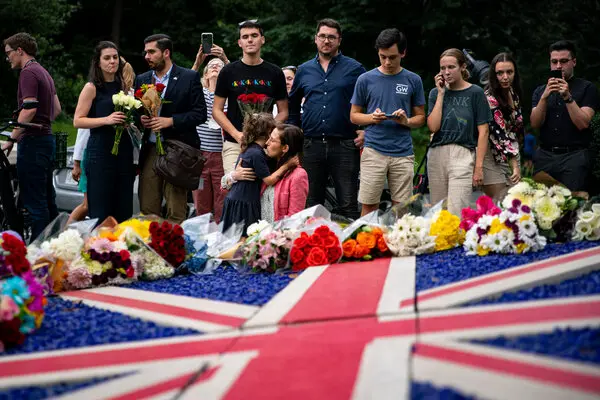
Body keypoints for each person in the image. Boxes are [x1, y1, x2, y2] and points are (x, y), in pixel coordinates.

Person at [288, 18, 366, 219]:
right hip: (310, 145)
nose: (326, 40)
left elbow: (372, 101)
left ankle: (351, 239)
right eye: (322, 36)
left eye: (331, 37)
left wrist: (367, 130)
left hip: (345, 144)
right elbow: (292, 106)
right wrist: (294, 137)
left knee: (348, 204)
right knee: (311, 206)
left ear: (339, 40)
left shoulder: (355, 69)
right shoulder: (304, 70)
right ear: (315, 39)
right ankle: (313, 240)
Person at [350, 28, 426, 216]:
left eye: (392, 57)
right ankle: (367, 236)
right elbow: (354, 115)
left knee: (402, 209)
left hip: (403, 152)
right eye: (382, 57)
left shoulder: (413, 79)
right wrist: (372, 118)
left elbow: (420, 118)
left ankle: (401, 236)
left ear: (403, 53)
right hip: (373, 150)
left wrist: (406, 121)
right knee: (369, 207)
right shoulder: (365, 79)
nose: (387, 62)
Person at [135, 33, 207, 223]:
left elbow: (200, 113)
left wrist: (171, 121)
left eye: (152, 52)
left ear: (166, 53)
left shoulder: (189, 77)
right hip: (150, 149)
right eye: (146, 52)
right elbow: (135, 111)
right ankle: (149, 242)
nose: (147, 56)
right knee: (148, 208)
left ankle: (174, 241)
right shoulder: (142, 79)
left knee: (176, 209)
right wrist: (140, 119)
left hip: (178, 150)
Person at [3, 32, 61, 239]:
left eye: (8, 53)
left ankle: (37, 252)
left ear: (20, 50)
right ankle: (54, 247)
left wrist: (11, 138)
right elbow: (56, 109)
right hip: (46, 140)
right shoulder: (44, 72)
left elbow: (29, 109)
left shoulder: (27, 73)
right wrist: (43, 122)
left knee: (35, 204)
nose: (7, 57)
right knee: (47, 201)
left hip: (33, 143)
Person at [213, 20, 289, 176]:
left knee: (265, 186)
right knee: (234, 185)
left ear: (262, 39)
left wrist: (268, 132)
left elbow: (284, 111)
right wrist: (237, 134)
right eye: (245, 37)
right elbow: (217, 110)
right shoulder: (228, 71)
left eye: (254, 35)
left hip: (266, 144)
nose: (250, 40)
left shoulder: (275, 72)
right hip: (235, 144)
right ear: (239, 43)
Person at [68, 59, 137, 225]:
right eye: (107, 58)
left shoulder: (127, 94)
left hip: (121, 157)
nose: (112, 62)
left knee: (119, 209)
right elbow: (81, 128)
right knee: (91, 206)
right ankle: (66, 233)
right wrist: (77, 161)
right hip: (97, 153)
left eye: (115, 58)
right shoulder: (93, 89)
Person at [426, 48, 491, 216]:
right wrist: (441, 94)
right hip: (437, 153)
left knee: (457, 210)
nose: (446, 72)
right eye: (442, 68)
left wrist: (479, 167)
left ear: (462, 67)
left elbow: (483, 132)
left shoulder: (475, 92)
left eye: (451, 67)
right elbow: (433, 127)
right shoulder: (435, 93)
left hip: (463, 153)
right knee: (438, 212)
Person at [530, 40, 599, 192]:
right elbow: (535, 123)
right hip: (545, 156)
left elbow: (583, 123)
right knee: (541, 203)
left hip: (574, 157)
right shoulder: (540, 91)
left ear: (574, 62)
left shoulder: (587, 88)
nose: (558, 66)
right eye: (554, 62)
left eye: (563, 61)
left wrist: (568, 97)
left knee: (574, 202)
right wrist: (544, 98)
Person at [220, 113, 299, 235]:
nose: (270, 141)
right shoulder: (256, 153)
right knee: (242, 239)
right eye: (271, 135)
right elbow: (269, 180)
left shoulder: (252, 150)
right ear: (267, 132)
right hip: (244, 204)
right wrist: (286, 166)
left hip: (242, 200)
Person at [482, 52, 524, 200]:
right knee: (499, 202)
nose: (505, 77)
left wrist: (517, 159)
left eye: (509, 72)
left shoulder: (514, 93)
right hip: (491, 154)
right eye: (500, 73)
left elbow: (516, 129)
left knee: (514, 203)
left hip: (511, 152)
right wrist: (515, 165)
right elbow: (499, 135)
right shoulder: (489, 98)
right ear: (494, 75)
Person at [191, 57, 228, 222]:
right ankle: (202, 232)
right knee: (201, 199)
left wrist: (226, 60)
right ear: (205, 74)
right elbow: (185, 82)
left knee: (222, 198)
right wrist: (198, 62)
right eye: (211, 65)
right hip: (200, 156)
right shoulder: (198, 94)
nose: (215, 66)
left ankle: (221, 233)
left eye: (219, 66)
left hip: (221, 155)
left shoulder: (229, 97)